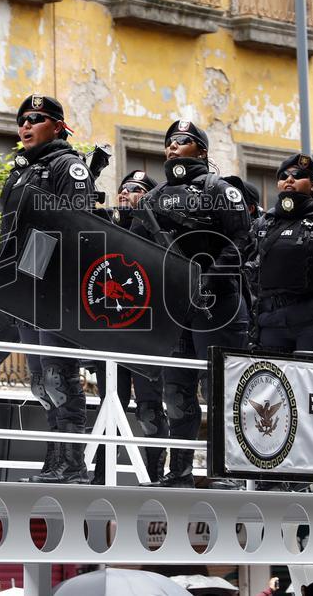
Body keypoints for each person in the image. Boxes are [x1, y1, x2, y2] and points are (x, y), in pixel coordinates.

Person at [131, 119, 253, 489]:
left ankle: (224, 473)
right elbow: (137, 251)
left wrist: (208, 279)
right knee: (175, 389)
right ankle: (179, 471)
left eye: (182, 141)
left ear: (201, 150)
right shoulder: (152, 200)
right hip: (175, 309)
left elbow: (242, 242)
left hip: (218, 303)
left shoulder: (221, 190)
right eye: (169, 141)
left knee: (220, 389)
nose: (172, 147)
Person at [0, 94, 96, 485]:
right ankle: (54, 460)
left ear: (58, 126)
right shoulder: (20, 171)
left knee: (59, 376)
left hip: (55, 285)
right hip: (24, 285)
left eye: (36, 118)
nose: (25, 125)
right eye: (22, 119)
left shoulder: (68, 166)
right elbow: (8, 232)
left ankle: (72, 464)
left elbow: (75, 225)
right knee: (40, 381)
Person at [93, 169, 169, 485]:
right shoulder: (104, 226)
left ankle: (154, 475)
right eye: (123, 188)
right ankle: (101, 475)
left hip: (145, 332)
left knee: (150, 407)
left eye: (136, 189)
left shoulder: (158, 232)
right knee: (111, 403)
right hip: (109, 331)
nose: (126, 193)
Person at [252, 153, 313, 357]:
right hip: (271, 321)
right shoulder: (264, 223)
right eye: (284, 176)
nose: (289, 179)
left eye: (298, 175)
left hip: (312, 320)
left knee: (311, 386)